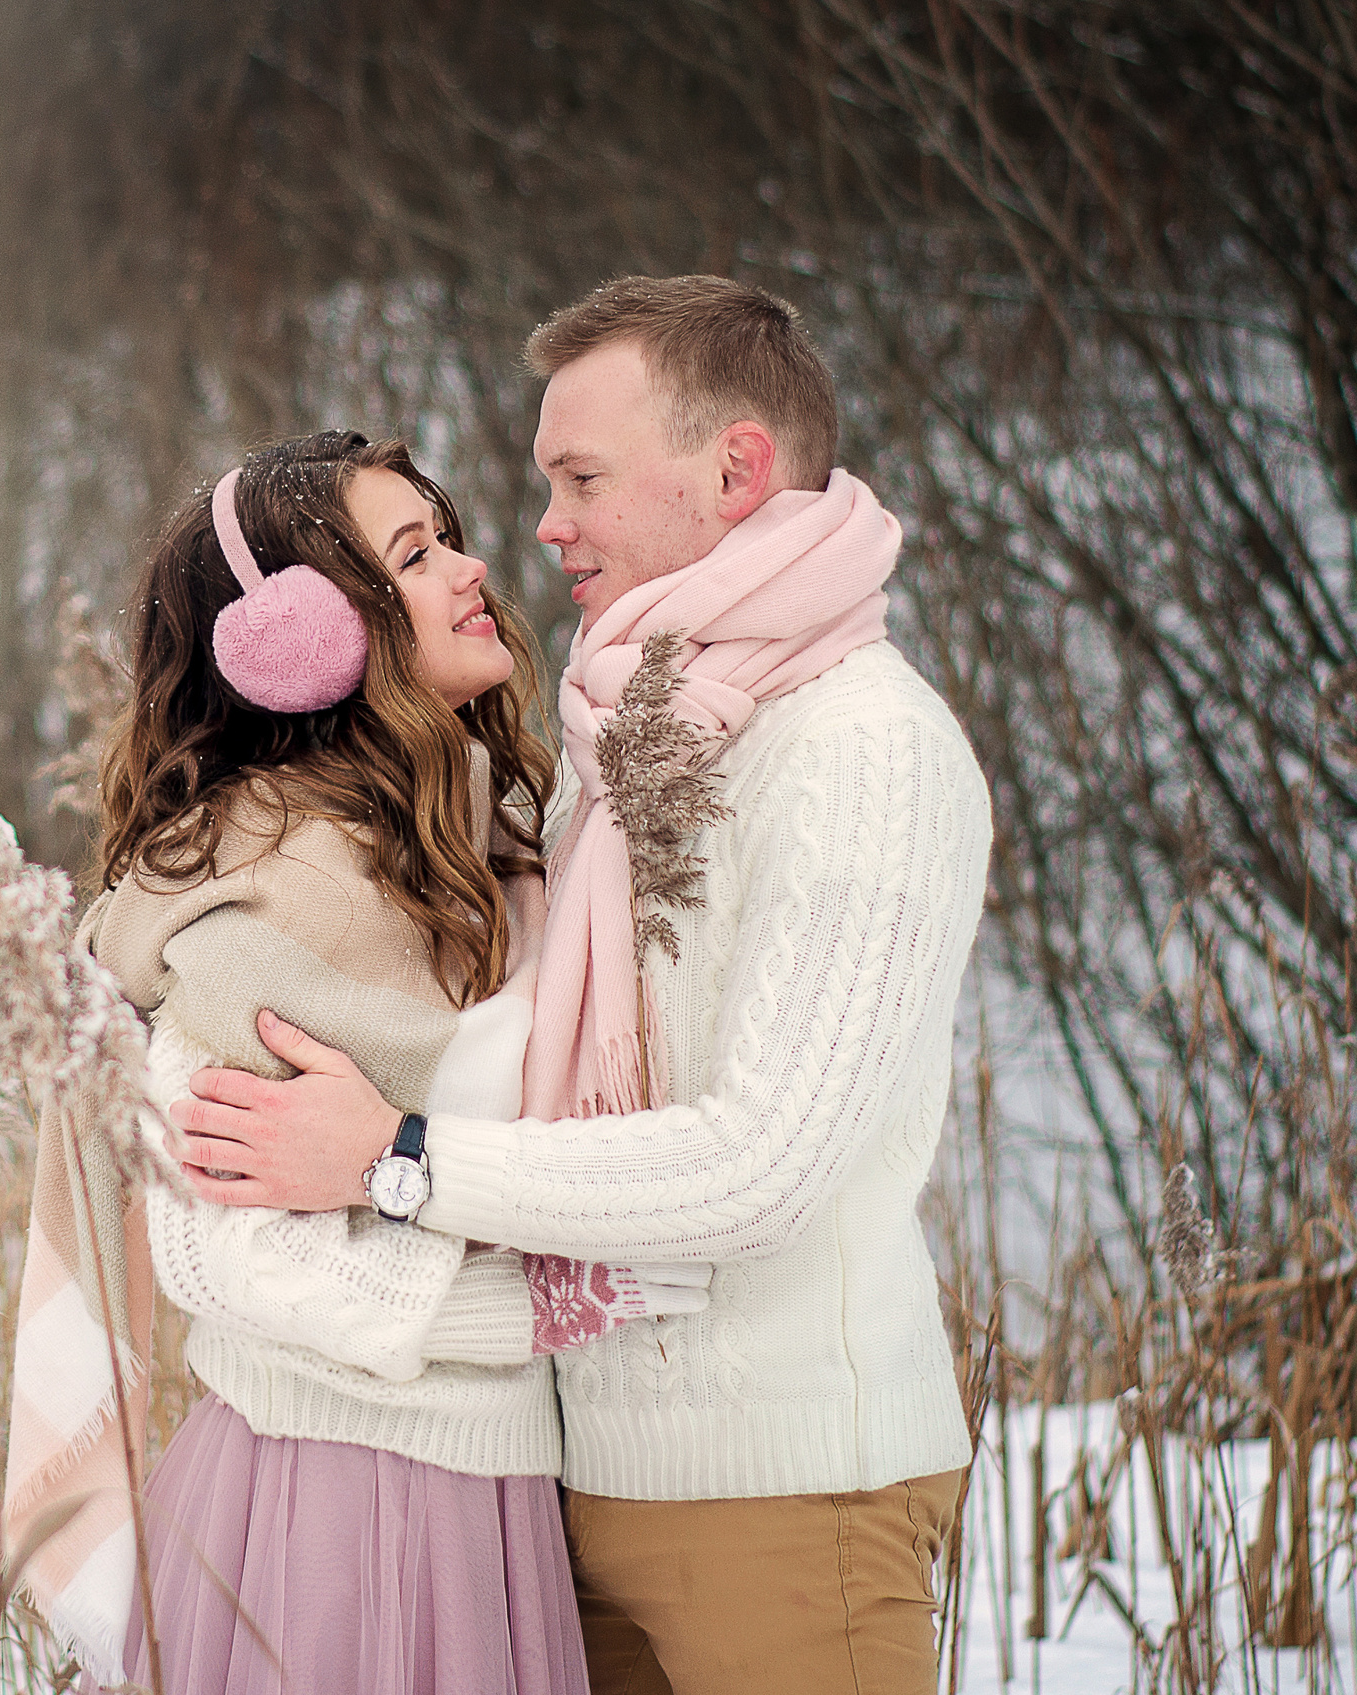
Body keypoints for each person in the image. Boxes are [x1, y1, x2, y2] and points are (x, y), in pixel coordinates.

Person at [170, 277, 995, 1695]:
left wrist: (397, 1161)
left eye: (582, 478)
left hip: (786, 1489)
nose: (543, 525)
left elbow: (766, 1163)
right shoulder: (620, 746)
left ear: (734, 469)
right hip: (572, 1494)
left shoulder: (863, 746)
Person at [0, 430, 703, 1695]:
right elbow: (220, 1243)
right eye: (415, 554)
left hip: (495, 1504)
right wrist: (551, 1306)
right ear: (306, 634)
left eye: (446, 536)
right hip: (330, 1505)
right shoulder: (271, 886)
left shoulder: (498, 847)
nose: (473, 566)